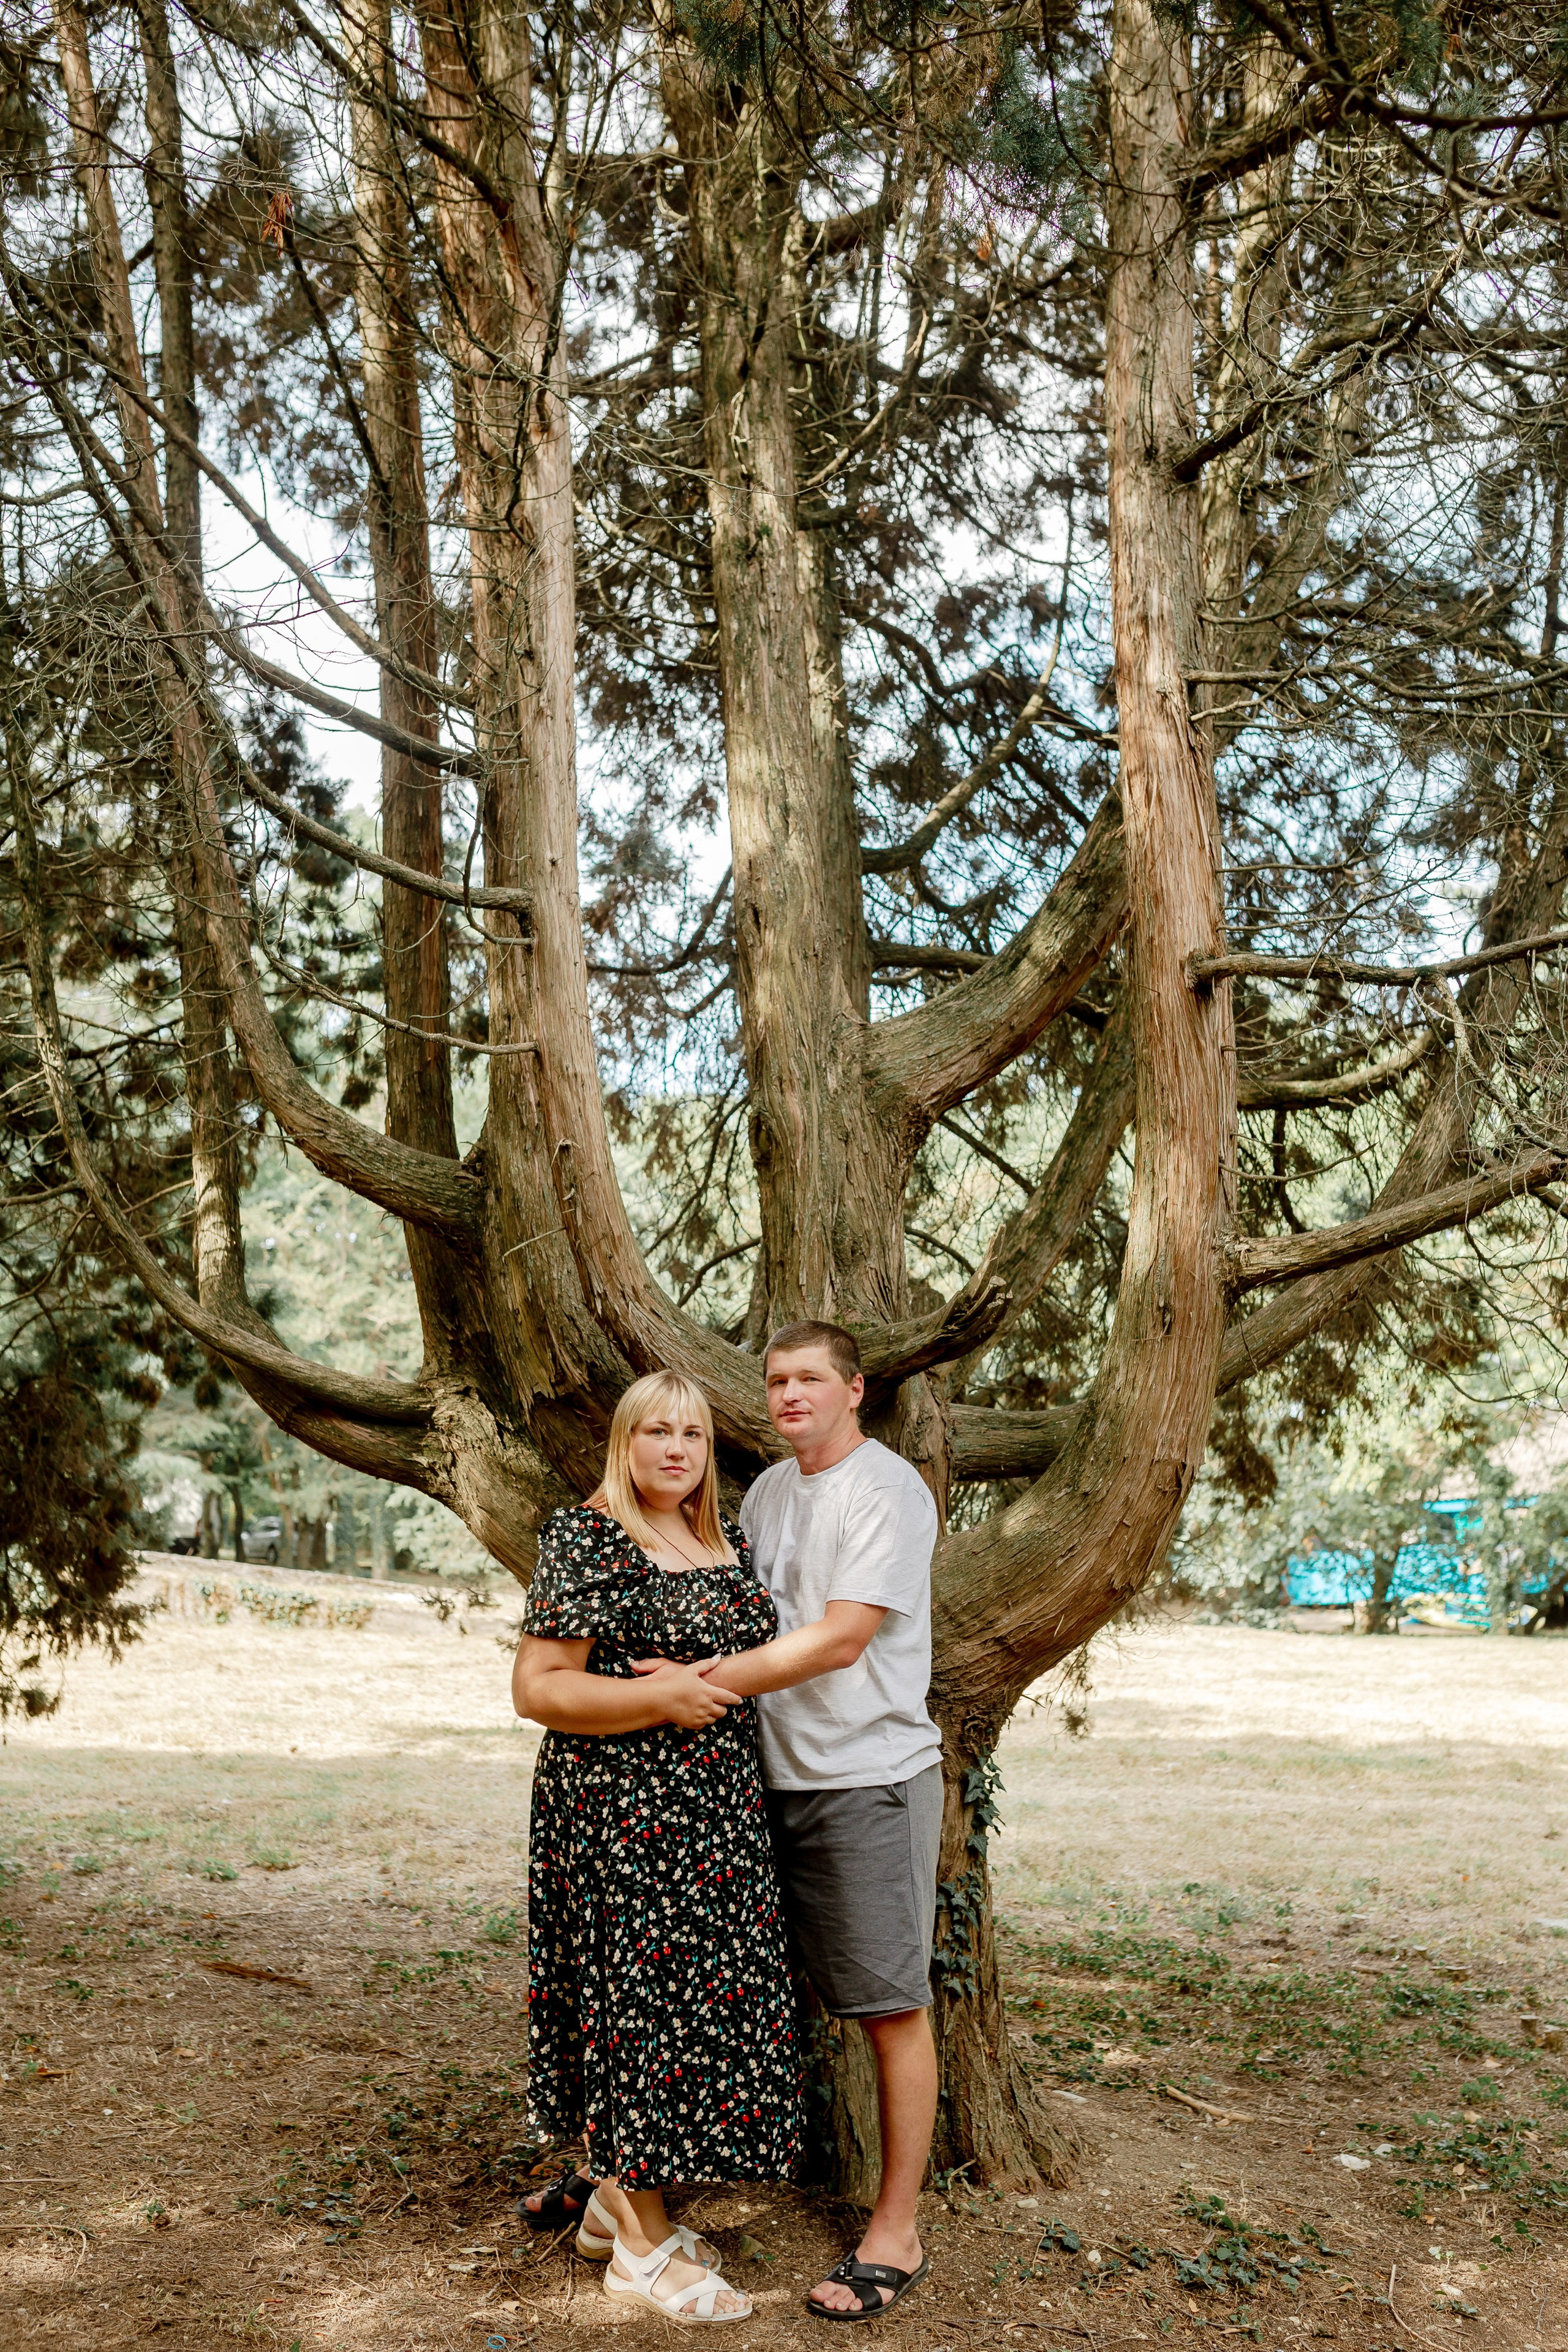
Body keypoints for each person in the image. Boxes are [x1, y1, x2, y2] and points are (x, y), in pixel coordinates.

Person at [657, 1320, 941, 2323]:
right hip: (762, 1776)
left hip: (865, 1779)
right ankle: (641, 2190)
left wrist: (692, 1685)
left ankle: (895, 2229)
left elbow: (838, 1641)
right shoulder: (771, 1494)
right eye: (776, 1381)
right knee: (723, 1992)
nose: (788, 1396)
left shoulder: (888, 1491)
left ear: (853, 1389)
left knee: (889, 2006)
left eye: (809, 1379)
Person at [511, 1370, 802, 2326]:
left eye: (693, 1434)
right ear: (624, 1443)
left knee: (686, 2014)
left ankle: (613, 2203)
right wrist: (658, 1698)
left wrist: (696, 1689)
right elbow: (540, 1688)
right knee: (635, 2011)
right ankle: (637, 2249)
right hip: (620, 1818)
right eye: (656, 1433)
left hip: (715, 1818)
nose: (676, 1449)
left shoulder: (721, 1536)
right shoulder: (588, 1534)